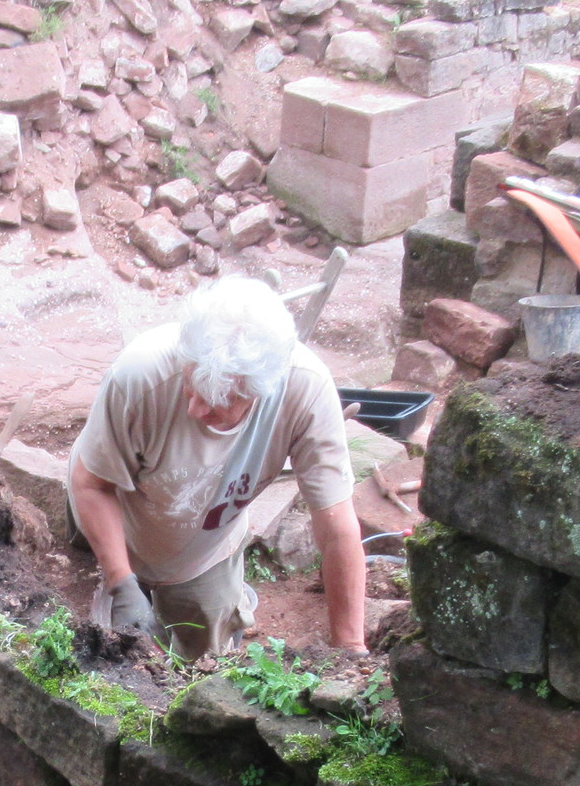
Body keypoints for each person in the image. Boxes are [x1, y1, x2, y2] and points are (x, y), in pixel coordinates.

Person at [67, 276, 364, 661]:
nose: (194, 410)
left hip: (205, 545)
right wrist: (121, 582)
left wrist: (350, 650)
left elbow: (337, 527)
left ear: (258, 393)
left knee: (206, 659)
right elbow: (92, 485)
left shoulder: (305, 392)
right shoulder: (139, 375)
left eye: (216, 402)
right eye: (191, 387)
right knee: (94, 628)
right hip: (120, 506)